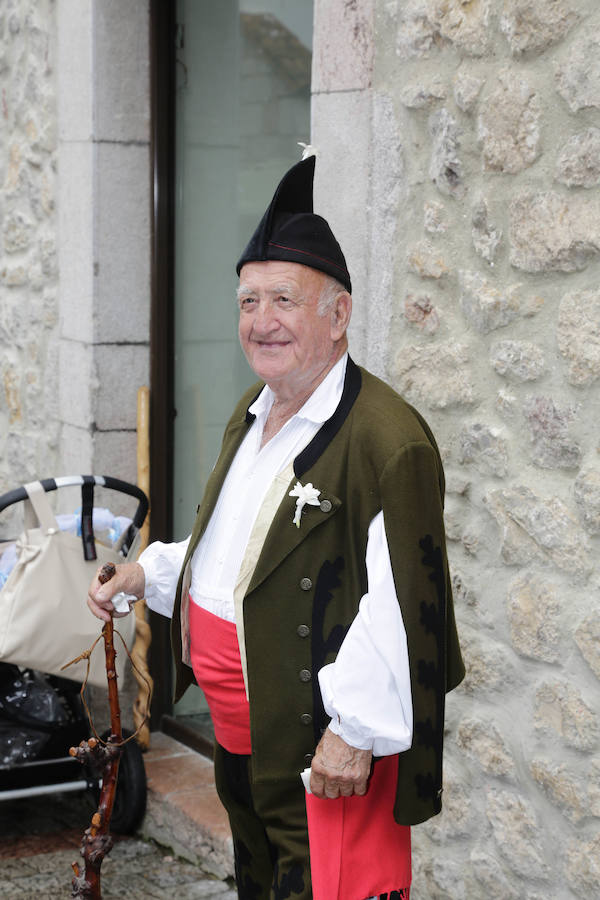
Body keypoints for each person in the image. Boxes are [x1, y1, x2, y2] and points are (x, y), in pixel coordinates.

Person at [88, 152, 464, 900]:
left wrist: (352, 730)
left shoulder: (388, 439)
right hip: (239, 736)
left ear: (339, 313)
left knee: (333, 889)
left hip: (315, 737)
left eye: (284, 299)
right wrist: (150, 574)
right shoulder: (253, 412)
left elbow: (402, 603)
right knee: (263, 882)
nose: (261, 322)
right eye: (247, 301)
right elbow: (239, 548)